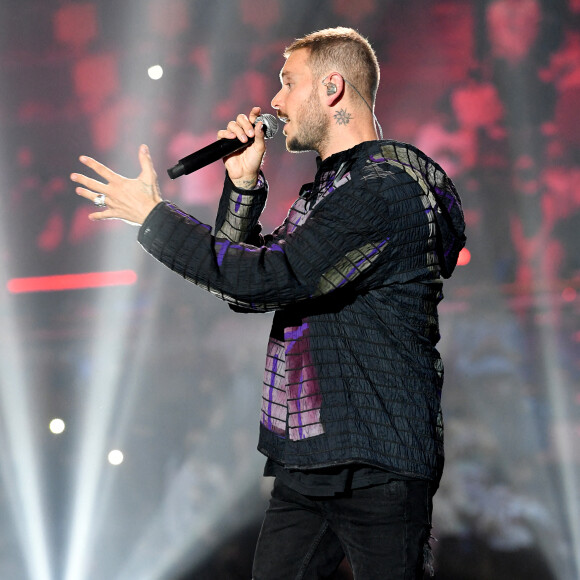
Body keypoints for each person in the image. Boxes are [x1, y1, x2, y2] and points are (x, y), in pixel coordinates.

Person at [71, 27, 466, 580]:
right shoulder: (327, 192)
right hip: (309, 458)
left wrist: (154, 218)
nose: (274, 103)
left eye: (287, 83)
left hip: (377, 461)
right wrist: (242, 185)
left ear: (332, 87)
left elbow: (270, 277)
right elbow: (245, 289)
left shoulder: (383, 190)